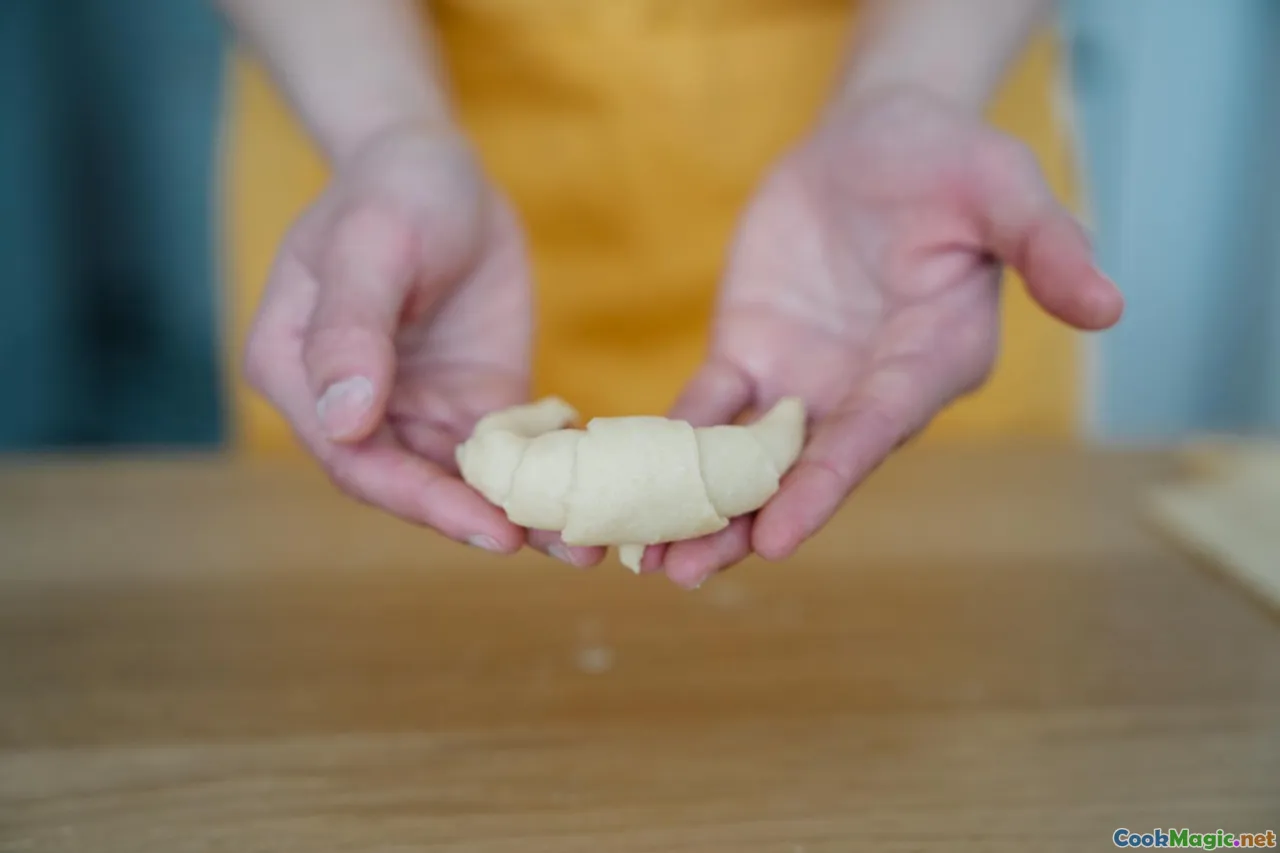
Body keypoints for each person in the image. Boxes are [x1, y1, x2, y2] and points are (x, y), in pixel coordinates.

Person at [218, 0, 1124, 589]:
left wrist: (916, 86)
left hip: (885, 220)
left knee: (941, 616)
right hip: (395, 151)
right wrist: (387, 130)